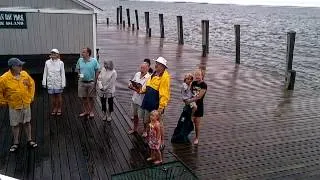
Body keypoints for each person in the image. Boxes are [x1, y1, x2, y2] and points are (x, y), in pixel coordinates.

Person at [0, 58, 38, 152]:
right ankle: (16, 142)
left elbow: (31, 84)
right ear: (13, 67)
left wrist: (30, 96)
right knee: (15, 125)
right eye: (19, 65)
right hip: (14, 106)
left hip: (25, 104)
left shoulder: (24, 74)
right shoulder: (4, 78)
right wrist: (4, 102)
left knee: (27, 122)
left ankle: (29, 140)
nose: (21, 67)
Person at [140, 57, 170, 150]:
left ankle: (162, 142)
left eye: (159, 64)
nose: (156, 65)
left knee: (159, 124)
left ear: (163, 66)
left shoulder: (165, 77)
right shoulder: (154, 73)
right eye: (156, 63)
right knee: (149, 122)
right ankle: (150, 140)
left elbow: (164, 94)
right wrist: (141, 90)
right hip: (148, 102)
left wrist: (160, 108)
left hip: (156, 105)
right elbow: (148, 85)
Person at [76, 47, 100, 119]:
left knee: (91, 98)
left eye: (83, 52)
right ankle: (86, 111)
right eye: (82, 52)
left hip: (91, 83)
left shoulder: (94, 61)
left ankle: (91, 111)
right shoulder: (80, 60)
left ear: (88, 53)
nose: (82, 53)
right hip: (82, 83)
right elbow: (78, 69)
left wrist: (95, 82)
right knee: (83, 97)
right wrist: (80, 75)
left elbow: (97, 71)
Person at [128, 63, 151, 134]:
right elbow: (132, 81)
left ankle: (145, 131)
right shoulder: (137, 74)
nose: (142, 70)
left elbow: (144, 91)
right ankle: (134, 129)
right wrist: (130, 85)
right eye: (141, 68)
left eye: (143, 68)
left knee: (144, 118)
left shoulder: (149, 77)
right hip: (135, 99)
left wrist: (134, 89)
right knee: (135, 115)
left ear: (148, 68)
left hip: (142, 101)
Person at [186, 69, 207, 145]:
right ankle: (186, 134)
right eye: (196, 75)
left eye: (199, 75)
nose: (197, 76)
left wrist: (190, 100)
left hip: (199, 106)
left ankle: (197, 137)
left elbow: (199, 97)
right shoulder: (193, 83)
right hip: (191, 105)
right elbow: (189, 91)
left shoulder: (204, 85)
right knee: (189, 120)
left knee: (197, 123)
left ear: (202, 76)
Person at [42, 49, 66, 116]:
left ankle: (59, 108)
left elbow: (63, 74)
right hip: (50, 82)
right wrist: (44, 82)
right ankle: (55, 108)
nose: (53, 54)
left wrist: (63, 83)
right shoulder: (47, 62)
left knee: (59, 96)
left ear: (57, 54)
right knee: (52, 97)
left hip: (58, 82)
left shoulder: (61, 63)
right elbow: (45, 73)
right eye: (52, 53)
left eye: (55, 53)